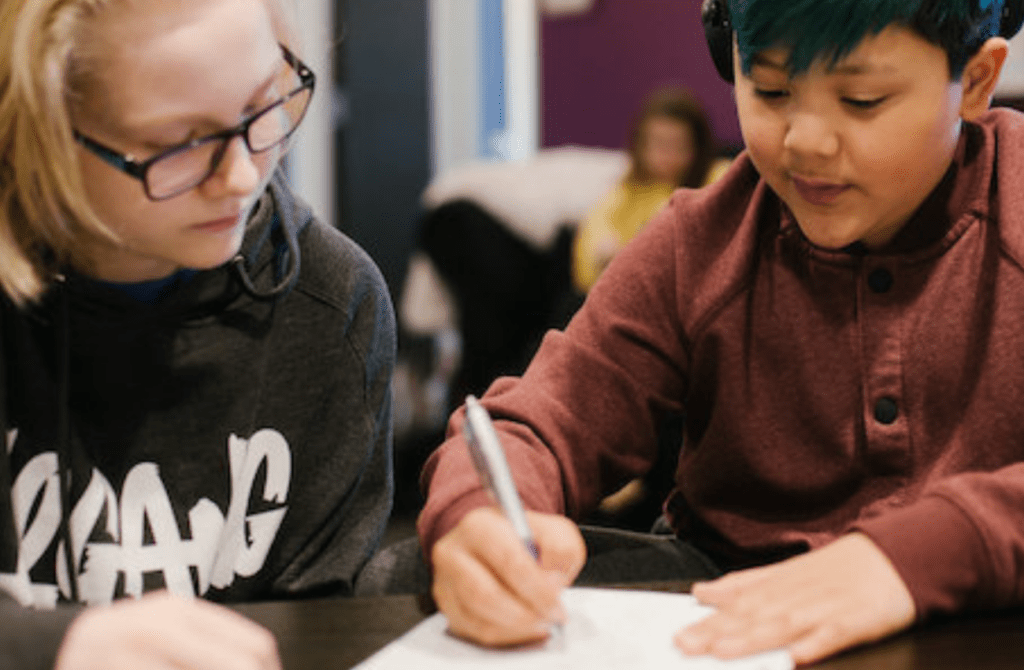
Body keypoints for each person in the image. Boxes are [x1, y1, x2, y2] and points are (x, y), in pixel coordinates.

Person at [416, 0, 1024, 665]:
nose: (805, 142)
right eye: (769, 89)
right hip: (728, 612)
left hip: (984, 605)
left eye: (862, 99)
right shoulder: (699, 245)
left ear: (974, 80)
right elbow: (536, 421)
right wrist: (480, 516)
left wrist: (923, 553)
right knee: (405, 578)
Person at [0, 1, 395, 669]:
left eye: (264, 104)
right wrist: (48, 648)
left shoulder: (333, 307)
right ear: (36, 132)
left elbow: (316, 630)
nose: (242, 179)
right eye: (179, 145)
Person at [571, 87, 724, 294]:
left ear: (697, 147)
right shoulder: (628, 191)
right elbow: (593, 244)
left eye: (678, 145)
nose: (667, 155)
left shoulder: (718, 179)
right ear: (640, 145)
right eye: (658, 144)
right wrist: (603, 254)